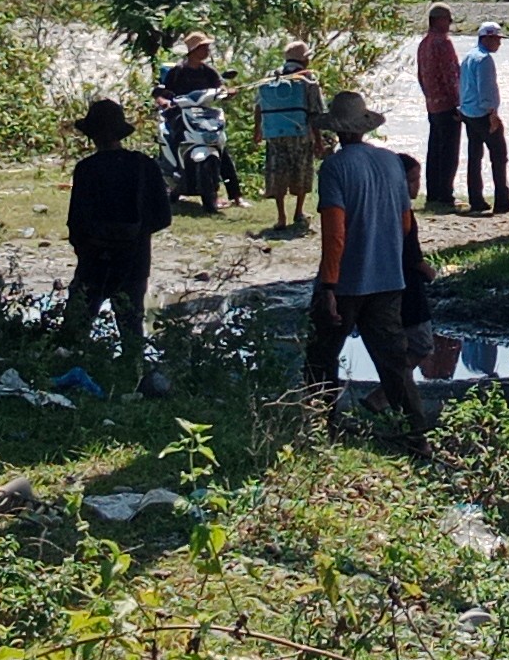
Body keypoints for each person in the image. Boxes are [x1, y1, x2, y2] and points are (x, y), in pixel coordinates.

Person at [306, 90, 429, 453]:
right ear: (364, 128)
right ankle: (416, 435)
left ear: (336, 131)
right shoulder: (392, 162)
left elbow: (335, 232)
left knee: (321, 357)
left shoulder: (334, 168)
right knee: (393, 363)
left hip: (346, 283)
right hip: (389, 279)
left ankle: (320, 428)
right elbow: (406, 224)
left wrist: (328, 285)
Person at [59, 98, 176, 397]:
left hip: (93, 261)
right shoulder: (144, 166)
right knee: (132, 329)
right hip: (134, 261)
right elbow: (162, 217)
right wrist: (134, 237)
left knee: (75, 328)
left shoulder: (86, 169)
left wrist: (89, 249)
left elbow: (76, 223)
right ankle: (132, 379)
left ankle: (73, 371)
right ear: (120, 133)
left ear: (92, 135)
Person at [155, 32, 240, 211]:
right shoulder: (178, 71)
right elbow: (163, 93)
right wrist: (164, 102)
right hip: (180, 113)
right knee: (177, 136)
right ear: (193, 50)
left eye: (207, 47)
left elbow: (220, 87)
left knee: (220, 146)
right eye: (203, 47)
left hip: (206, 115)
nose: (207, 51)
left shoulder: (208, 71)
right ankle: (176, 170)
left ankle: (236, 195)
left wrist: (227, 92)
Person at [254, 39, 320, 235]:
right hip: (301, 133)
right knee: (301, 171)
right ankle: (298, 212)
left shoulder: (271, 77)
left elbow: (259, 105)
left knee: (278, 172)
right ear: (304, 60)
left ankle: (281, 216)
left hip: (274, 133)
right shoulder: (308, 78)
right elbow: (315, 109)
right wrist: (319, 140)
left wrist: (257, 130)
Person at [414, 5, 465, 211]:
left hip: (432, 104)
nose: (450, 24)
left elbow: (420, 75)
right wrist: (458, 103)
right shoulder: (443, 43)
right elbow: (450, 75)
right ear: (439, 20)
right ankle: (445, 195)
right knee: (449, 151)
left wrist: (428, 96)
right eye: (449, 20)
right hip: (447, 104)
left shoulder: (424, 43)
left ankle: (434, 192)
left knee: (434, 149)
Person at [457, 21, 508, 214]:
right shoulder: (485, 60)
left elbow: (462, 85)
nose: (498, 43)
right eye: (495, 39)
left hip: (468, 112)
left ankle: (476, 199)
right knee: (498, 156)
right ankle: (501, 199)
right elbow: (486, 89)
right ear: (485, 38)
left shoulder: (469, 56)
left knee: (474, 156)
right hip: (482, 114)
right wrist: (492, 114)